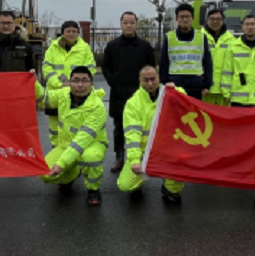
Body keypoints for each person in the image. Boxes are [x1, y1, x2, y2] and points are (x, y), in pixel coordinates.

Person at [116, 66, 185, 203]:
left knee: (183, 159)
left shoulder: (170, 94)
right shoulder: (133, 104)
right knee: (125, 185)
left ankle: (170, 188)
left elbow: (186, 101)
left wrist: (176, 90)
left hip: (168, 151)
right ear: (140, 81)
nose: (150, 83)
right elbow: (132, 135)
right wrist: (135, 160)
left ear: (159, 78)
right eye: (146, 80)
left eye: (153, 79)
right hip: (144, 153)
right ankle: (138, 183)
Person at [41, 66, 108, 206]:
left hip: (91, 145)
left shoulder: (97, 106)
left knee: (90, 157)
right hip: (66, 145)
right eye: (76, 80)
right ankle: (72, 174)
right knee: (44, 173)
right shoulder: (63, 93)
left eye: (84, 81)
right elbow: (44, 98)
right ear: (69, 83)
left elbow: (82, 139)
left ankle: (93, 190)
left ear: (92, 84)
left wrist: (61, 164)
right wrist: (32, 83)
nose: (80, 85)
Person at [102, 11, 156, 173]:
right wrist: (113, 82)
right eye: (126, 22)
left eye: (132, 22)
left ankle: (141, 157)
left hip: (140, 95)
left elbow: (151, 68)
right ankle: (119, 157)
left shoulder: (145, 46)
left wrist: (147, 85)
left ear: (136, 24)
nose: (129, 25)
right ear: (121, 24)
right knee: (119, 128)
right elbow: (105, 67)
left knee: (141, 128)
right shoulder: (112, 46)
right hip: (118, 93)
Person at [42, 21, 96, 149]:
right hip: (56, 92)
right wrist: (58, 84)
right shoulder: (53, 48)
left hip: (78, 93)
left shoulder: (85, 48)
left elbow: (91, 68)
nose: (71, 34)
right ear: (62, 33)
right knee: (55, 126)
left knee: (76, 122)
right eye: (68, 31)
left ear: (78, 33)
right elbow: (47, 68)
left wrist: (77, 84)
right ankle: (55, 149)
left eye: (74, 31)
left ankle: (74, 151)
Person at [159, 3, 213, 101]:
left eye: (187, 16)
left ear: (193, 18)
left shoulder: (201, 37)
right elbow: (164, 63)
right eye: (181, 17)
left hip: (196, 85)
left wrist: (207, 85)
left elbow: (207, 62)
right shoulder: (169, 37)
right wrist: (164, 83)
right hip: (174, 85)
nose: (184, 19)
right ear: (177, 19)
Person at [221, 15, 255, 107]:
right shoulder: (233, 46)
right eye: (247, 24)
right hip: (238, 98)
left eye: (252, 24)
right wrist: (226, 92)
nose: (250, 27)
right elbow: (227, 71)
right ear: (242, 27)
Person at [201, 8, 236, 106]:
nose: (215, 21)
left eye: (218, 19)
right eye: (212, 19)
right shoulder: (199, 37)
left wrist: (229, 90)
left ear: (223, 20)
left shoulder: (232, 39)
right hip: (205, 90)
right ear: (207, 20)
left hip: (224, 92)